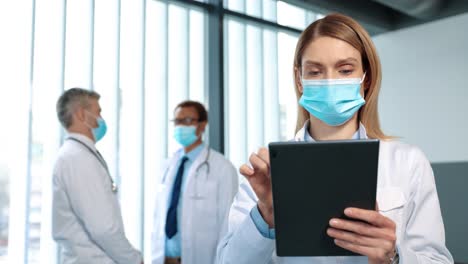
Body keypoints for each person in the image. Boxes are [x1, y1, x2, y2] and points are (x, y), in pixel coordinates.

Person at [217, 13, 453, 264]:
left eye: (345, 70)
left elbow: (437, 260)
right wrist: (265, 216)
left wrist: (394, 257)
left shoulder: (407, 162)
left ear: (366, 78)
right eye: (315, 71)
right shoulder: (268, 173)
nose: (330, 81)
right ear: (300, 79)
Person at [52, 88, 142, 264]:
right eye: (98, 112)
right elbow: (103, 229)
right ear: (81, 114)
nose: (101, 119)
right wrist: (135, 260)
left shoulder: (78, 155)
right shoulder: (78, 158)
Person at [151, 100, 238, 264]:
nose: (181, 126)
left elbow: (227, 224)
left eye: (188, 121)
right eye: (177, 121)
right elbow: (158, 218)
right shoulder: (167, 166)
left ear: (202, 125)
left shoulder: (222, 168)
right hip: (164, 259)